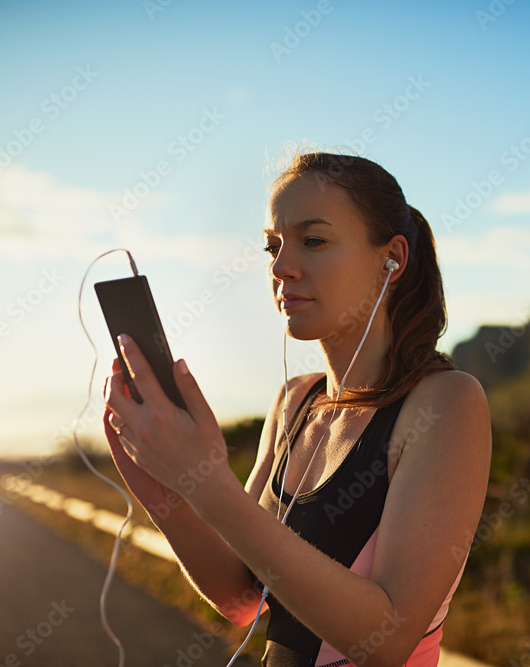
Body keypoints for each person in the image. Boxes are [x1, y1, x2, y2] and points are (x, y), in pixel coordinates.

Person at [102, 149, 492, 667]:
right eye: (272, 247)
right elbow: (242, 599)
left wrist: (205, 482)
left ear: (390, 259)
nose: (282, 267)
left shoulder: (447, 402)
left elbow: (389, 640)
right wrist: (163, 490)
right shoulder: (293, 403)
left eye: (313, 241)